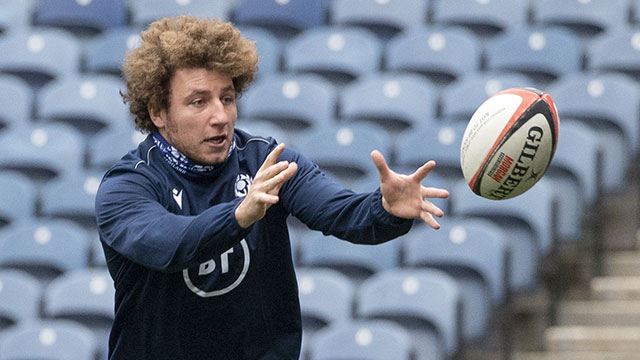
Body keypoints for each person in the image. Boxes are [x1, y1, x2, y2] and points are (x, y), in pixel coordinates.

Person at [95, 15, 449, 360]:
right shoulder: (126, 187)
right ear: (158, 112)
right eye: (198, 101)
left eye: (227, 98)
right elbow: (170, 245)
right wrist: (239, 215)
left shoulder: (267, 162)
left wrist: (384, 208)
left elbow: (340, 213)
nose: (220, 116)